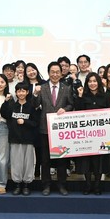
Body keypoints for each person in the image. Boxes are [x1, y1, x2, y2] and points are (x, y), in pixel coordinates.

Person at [32, 61, 73, 196]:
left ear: (61, 73)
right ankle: (46, 185)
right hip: (45, 128)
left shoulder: (66, 88)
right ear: (48, 73)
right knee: (45, 159)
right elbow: (35, 105)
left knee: (61, 158)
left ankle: (62, 185)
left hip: (61, 130)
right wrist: (35, 94)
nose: (55, 74)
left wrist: (65, 109)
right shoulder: (42, 88)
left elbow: (71, 105)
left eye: (57, 72)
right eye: (52, 72)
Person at [74, 72, 110, 195]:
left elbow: (109, 112)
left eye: (94, 81)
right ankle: (87, 185)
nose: (92, 83)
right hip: (86, 135)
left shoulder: (105, 96)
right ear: (87, 83)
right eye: (90, 81)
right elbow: (77, 111)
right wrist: (80, 96)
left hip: (101, 135)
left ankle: (97, 185)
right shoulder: (83, 95)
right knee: (86, 161)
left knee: (99, 161)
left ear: (99, 82)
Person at [2, 82, 39, 196]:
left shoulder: (32, 106)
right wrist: (6, 101)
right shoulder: (12, 105)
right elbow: (4, 114)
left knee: (28, 163)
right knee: (16, 163)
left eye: (23, 91)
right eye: (19, 91)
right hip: (15, 139)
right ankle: (17, 184)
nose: (21, 93)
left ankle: (26, 184)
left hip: (28, 140)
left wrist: (25, 122)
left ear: (27, 92)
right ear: (16, 93)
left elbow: (35, 123)